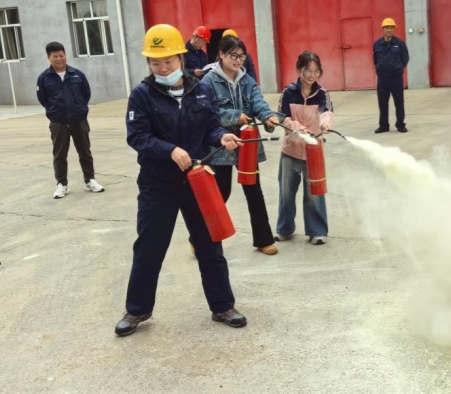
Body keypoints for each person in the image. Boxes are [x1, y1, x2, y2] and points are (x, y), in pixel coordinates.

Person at [116, 23, 246, 337]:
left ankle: (223, 306)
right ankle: (137, 310)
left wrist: (222, 136)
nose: (162, 68)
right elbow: (137, 137)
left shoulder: (200, 89)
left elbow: (212, 125)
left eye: (168, 61)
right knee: (149, 247)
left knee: (209, 245)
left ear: (180, 57)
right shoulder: (142, 95)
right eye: (155, 62)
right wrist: (169, 150)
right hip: (158, 183)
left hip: (197, 179)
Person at [201, 35, 280, 255]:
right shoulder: (208, 81)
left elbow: (257, 102)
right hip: (221, 145)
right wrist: (235, 117)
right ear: (221, 54)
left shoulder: (247, 80)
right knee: (221, 193)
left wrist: (267, 116)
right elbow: (207, 111)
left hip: (247, 144)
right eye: (233, 56)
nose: (238, 61)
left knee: (254, 190)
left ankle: (263, 240)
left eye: (242, 57)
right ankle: (199, 238)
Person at [275, 51, 333, 245]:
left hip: (313, 151)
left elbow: (326, 112)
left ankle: (317, 231)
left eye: (316, 71)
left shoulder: (322, 93)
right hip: (290, 150)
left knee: (314, 192)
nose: (312, 75)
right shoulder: (288, 92)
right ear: (299, 69)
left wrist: (325, 123)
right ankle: (284, 229)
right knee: (286, 192)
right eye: (308, 70)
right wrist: (296, 127)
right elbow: (281, 117)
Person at [36, 42, 104, 199]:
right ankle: (62, 184)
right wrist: (55, 112)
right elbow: (43, 99)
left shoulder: (77, 75)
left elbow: (86, 94)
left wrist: (79, 109)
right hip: (58, 122)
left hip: (78, 120)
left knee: (85, 151)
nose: (59, 59)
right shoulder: (43, 78)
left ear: (65, 55)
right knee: (60, 154)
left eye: (61, 55)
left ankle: (90, 180)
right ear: (49, 58)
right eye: (55, 56)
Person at [373, 17, 409, 133]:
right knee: (382, 103)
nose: (389, 30)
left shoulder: (400, 44)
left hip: (396, 78)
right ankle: (384, 125)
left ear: (394, 30)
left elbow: (405, 58)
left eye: (391, 28)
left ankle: (400, 124)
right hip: (382, 79)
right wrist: (380, 69)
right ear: (383, 29)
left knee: (399, 102)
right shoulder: (377, 44)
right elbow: (375, 59)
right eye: (387, 28)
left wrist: (398, 68)